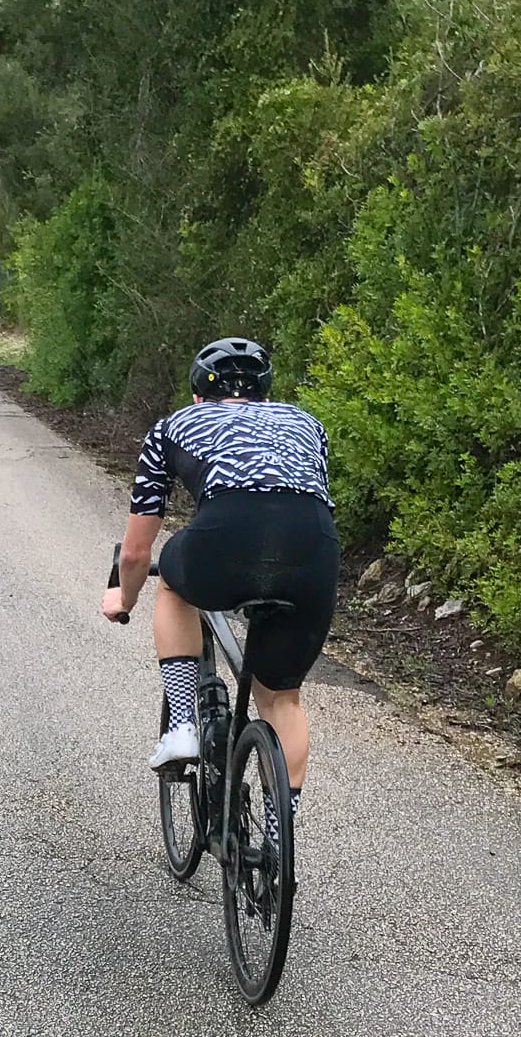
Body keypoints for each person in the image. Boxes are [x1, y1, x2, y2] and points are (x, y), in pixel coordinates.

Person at [99, 337, 339, 834]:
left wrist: (123, 597)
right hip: (312, 549)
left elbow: (137, 552)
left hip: (224, 537)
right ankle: (278, 842)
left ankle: (183, 727)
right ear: (267, 393)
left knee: (172, 582)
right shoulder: (307, 424)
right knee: (282, 700)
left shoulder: (171, 427)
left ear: (197, 397)